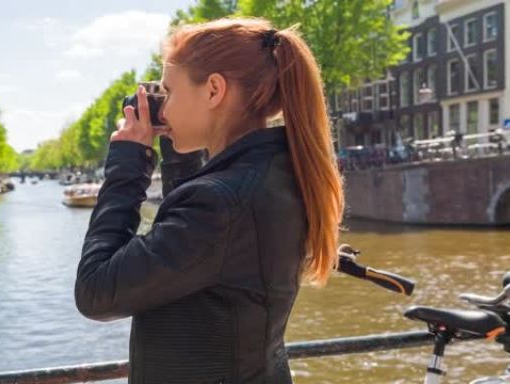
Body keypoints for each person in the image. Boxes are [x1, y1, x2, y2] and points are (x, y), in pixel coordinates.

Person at [75, 18, 344, 384]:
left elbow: (96, 290)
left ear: (214, 90)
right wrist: (178, 150)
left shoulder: (219, 204)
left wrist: (128, 164)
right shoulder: (275, 175)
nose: (163, 109)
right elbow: (193, 257)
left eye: (169, 91)